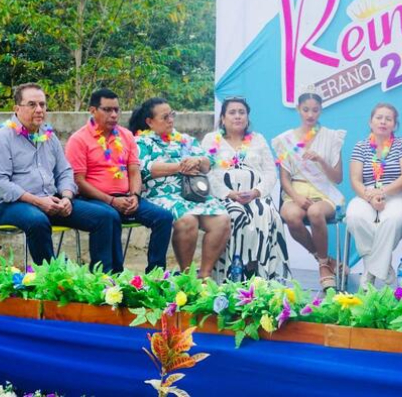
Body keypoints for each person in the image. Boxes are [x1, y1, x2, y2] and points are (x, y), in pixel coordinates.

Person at [0, 83, 119, 271]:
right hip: (7, 205)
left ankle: (104, 278)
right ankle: (52, 278)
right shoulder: (2, 138)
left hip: (50, 201)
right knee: (37, 220)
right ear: (17, 108)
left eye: (42, 104)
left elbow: (64, 172)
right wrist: (38, 201)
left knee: (106, 216)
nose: (39, 109)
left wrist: (66, 197)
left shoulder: (49, 137)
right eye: (32, 104)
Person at [65, 88, 173, 273]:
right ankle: (109, 275)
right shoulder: (79, 139)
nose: (114, 115)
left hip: (126, 198)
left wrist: (135, 196)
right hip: (94, 200)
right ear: (93, 110)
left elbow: (134, 170)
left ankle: (155, 276)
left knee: (163, 217)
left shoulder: (126, 136)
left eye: (116, 110)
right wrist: (112, 201)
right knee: (109, 216)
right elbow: (79, 182)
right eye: (107, 110)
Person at [129, 97, 230, 279]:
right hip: (160, 194)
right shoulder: (141, 142)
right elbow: (145, 169)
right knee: (187, 220)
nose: (171, 120)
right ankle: (187, 276)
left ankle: (204, 276)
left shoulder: (184, 139)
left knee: (222, 220)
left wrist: (197, 160)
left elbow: (209, 162)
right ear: (150, 122)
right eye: (165, 117)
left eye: (172, 115)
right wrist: (180, 166)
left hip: (192, 193)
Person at [202, 96, 290, 282]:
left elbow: (270, 173)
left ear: (247, 117)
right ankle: (234, 273)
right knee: (235, 214)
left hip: (255, 196)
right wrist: (229, 193)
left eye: (241, 112)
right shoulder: (212, 140)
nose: (237, 116)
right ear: (223, 118)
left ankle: (258, 271)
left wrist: (256, 192)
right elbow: (206, 172)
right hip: (224, 198)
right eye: (232, 112)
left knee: (265, 212)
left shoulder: (258, 139)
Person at [273, 92, 345, 291]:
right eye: (306, 110)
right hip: (295, 192)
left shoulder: (332, 137)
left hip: (323, 193)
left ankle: (323, 267)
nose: (310, 114)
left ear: (320, 110)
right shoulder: (286, 140)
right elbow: (284, 178)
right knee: (291, 215)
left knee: (315, 212)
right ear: (298, 109)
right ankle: (325, 260)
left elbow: (338, 178)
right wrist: (296, 197)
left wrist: (320, 160)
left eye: (315, 110)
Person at [346, 103, 402, 288]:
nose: (383, 122)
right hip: (367, 194)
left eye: (388, 119)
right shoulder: (361, 146)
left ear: (394, 124)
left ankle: (370, 273)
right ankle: (385, 270)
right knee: (354, 217)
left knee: (390, 221)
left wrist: (383, 191)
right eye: (379, 118)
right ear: (371, 122)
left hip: (397, 194)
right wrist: (370, 196)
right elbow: (355, 179)